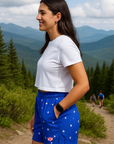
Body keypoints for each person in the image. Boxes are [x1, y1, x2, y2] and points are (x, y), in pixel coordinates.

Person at [30, 0, 90, 144]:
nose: (38, 17)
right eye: (38, 12)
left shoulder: (65, 44)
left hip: (58, 108)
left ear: (57, 16)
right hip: (42, 103)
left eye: (42, 13)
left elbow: (83, 85)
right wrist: (38, 112)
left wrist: (57, 109)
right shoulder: (51, 43)